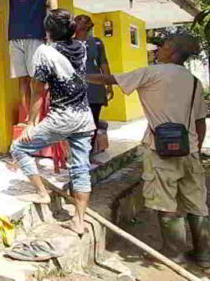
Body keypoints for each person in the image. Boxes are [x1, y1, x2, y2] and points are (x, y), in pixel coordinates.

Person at [88, 34, 209, 266]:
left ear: (173, 52)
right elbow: (200, 121)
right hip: (190, 151)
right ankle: (204, 255)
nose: (158, 50)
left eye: (163, 47)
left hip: (160, 151)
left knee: (165, 202)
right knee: (196, 202)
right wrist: (195, 146)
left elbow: (110, 79)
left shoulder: (152, 73)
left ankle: (173, 254)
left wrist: (77, 76)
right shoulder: (194, 81)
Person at [9, 9, 95, 236]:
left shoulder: (44, 52)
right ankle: (78, 221)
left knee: (18, 147)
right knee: (81, 169)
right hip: (85, 117)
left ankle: (41, 193)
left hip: (62, 116)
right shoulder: (82, 48)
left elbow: (38, 91)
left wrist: (30, 123)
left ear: (47, 31)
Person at [74, 14, 113, 153]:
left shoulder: (96, 42)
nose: (77, 21)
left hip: (95, 88)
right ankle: (78, 152)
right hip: (75, 89)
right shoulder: (67, 43)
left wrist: (108, 83)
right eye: (76, 19)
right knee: (77, 122)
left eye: (81, 20)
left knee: (93, 121)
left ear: (88, 25)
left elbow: (103, 62)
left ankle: (88, 152)